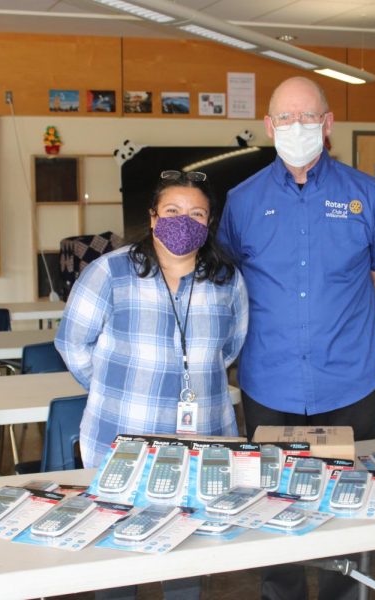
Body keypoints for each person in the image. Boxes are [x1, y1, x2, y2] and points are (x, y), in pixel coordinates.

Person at [217, 76, 375, 600]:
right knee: (274, 500)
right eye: (286, 118)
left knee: (348, 501)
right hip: (270, 382)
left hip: (348, 381)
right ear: (268, 126)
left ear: (327, 124)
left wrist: (342, 328)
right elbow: (228, 281)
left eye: (308, 117)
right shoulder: (241, 201)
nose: (297, 127)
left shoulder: (365, 194)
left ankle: (341, 593)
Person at [55, 170, 248, 600]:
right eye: (173, 211)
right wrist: (114, 387)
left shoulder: (225, 279)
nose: (185, 221)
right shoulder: (110, 273)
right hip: (121, 442)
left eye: (197, 213)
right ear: (153, 217)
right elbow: (72, 342)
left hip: (202, 443)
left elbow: (230, 348)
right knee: (116, 561)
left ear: (210, 222)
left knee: (187, 557)